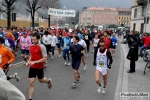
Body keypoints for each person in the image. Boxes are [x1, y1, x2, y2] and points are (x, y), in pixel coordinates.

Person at [26, 33, 52, 100]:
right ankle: (30, 99)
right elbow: (31, 55)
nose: (33, 41)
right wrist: (28, 62)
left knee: (41, 80)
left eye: (34, 40)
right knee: (31, 82)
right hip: (32, 67)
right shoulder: (31, 46)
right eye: (32, 40)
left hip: (39, 67)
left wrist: (35, 62)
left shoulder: (42, 47)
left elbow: (45, 58)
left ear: (38, 39)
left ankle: (48, 81)